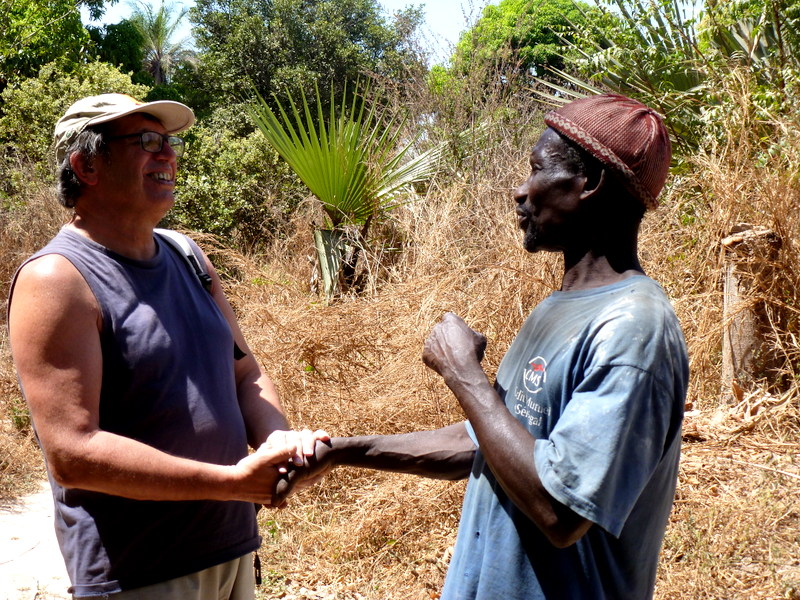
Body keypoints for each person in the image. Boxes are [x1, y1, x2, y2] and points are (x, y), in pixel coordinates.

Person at [278, 94, 689, 599]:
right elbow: (486, 442)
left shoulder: (634, 330)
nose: (521, 191)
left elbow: (559, 512)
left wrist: (462, 373)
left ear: (591, 183)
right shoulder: (558, 308)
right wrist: (341, 453)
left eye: (537, 170)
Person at [7, 93, 327, 599]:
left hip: (231, 548)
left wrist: (278, 443)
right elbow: (74, 452)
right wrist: (231, 482)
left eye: (171, 141)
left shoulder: (188, 256)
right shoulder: (56, 279)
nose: (168, 154)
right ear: (86, 165)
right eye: (147, 142)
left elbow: (242, 371)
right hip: (140, 571)